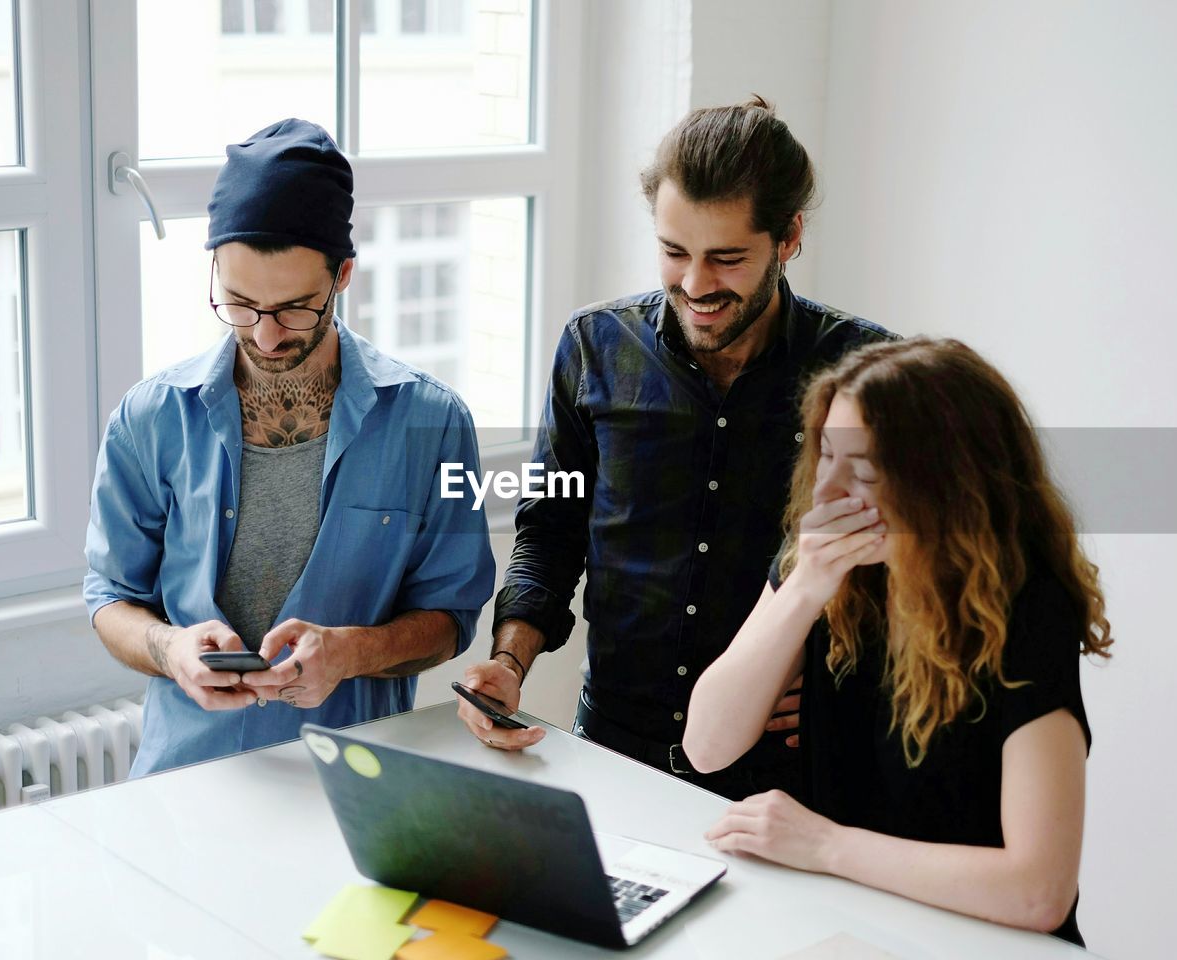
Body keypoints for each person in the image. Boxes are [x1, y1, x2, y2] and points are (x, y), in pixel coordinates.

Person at [456, 96, 896, 800]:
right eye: (674, 253)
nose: (695, 285)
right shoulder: (594, 347)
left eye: (726, 259)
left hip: (788, 771)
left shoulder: (864, 369)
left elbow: (904, 568)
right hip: (613, 746)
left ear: (788, 238)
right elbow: (551, 528)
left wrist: (847, 676)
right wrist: (509, 661)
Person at [84, 119, 495, 776]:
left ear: (344, 276)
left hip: (358, 783)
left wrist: (350, 652)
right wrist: (170, 648)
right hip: (187, 776)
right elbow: (110, 595)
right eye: (240, 304)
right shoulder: (150, 416)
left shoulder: (433, 423)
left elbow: (451, 616)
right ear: (214, 269)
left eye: (296, 309)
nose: (267, 336)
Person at [682, 337, 1112, 946]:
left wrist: (823, 844)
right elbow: (706, 744)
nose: (826, 493)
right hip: (855, 918)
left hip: (978, 939)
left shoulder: (1024, 606)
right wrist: (804, 588)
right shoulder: (824, 565)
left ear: (944, 485)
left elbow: (1038, 890)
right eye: (825, 455)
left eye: (862, 472)